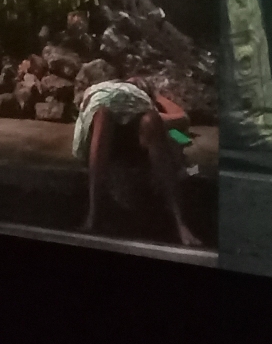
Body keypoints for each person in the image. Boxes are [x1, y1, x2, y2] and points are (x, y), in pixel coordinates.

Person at [75, 75, 204, 247]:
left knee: (151, 119)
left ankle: (180, 223)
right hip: (109, 137)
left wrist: (154, 100)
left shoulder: (149, 108)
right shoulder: (105, 92)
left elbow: (182, 123)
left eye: (137, 82)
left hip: (138, 140)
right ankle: (93, 215)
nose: (133, 80)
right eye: (130, 80)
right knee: (102, 114)